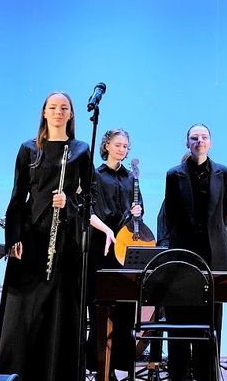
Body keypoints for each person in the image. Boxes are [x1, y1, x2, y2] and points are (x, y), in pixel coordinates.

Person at [0, 91, 94, 380]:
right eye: (53, 107)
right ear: (44, 112)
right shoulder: (29, 149)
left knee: (59, 310)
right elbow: (17, 198)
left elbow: (91, 196)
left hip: (65, 242)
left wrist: (69, 203)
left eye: (64, 107)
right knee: (24, 314)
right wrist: (13, 238)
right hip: (31, 240)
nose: (58, 112)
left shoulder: (80, 150)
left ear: (71, 114)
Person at [157, 123, 227, 381]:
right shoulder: (174, 174)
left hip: (215, 257)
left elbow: (223, 214)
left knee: (210, 323)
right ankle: (178, 375)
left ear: (210, 142)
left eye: (203, 137)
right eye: (194, 138)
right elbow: (171, 215)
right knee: (179, 322)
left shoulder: (224, 173)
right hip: (182, 255)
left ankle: (207, 375)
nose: (199, 141)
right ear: (187, 143)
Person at [88, 128, 140, 370]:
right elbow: (89, 210)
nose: (122, 149)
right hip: (101, 245)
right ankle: (100, 365)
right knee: (100, 307)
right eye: (118, 145)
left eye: (125, 146)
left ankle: (121, 366)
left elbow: (137, 208)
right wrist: (107, 230)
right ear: (107, 145)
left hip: (125, 246)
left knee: (126, 309)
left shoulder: (131, 177)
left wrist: (137, 211)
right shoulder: (96, 175)